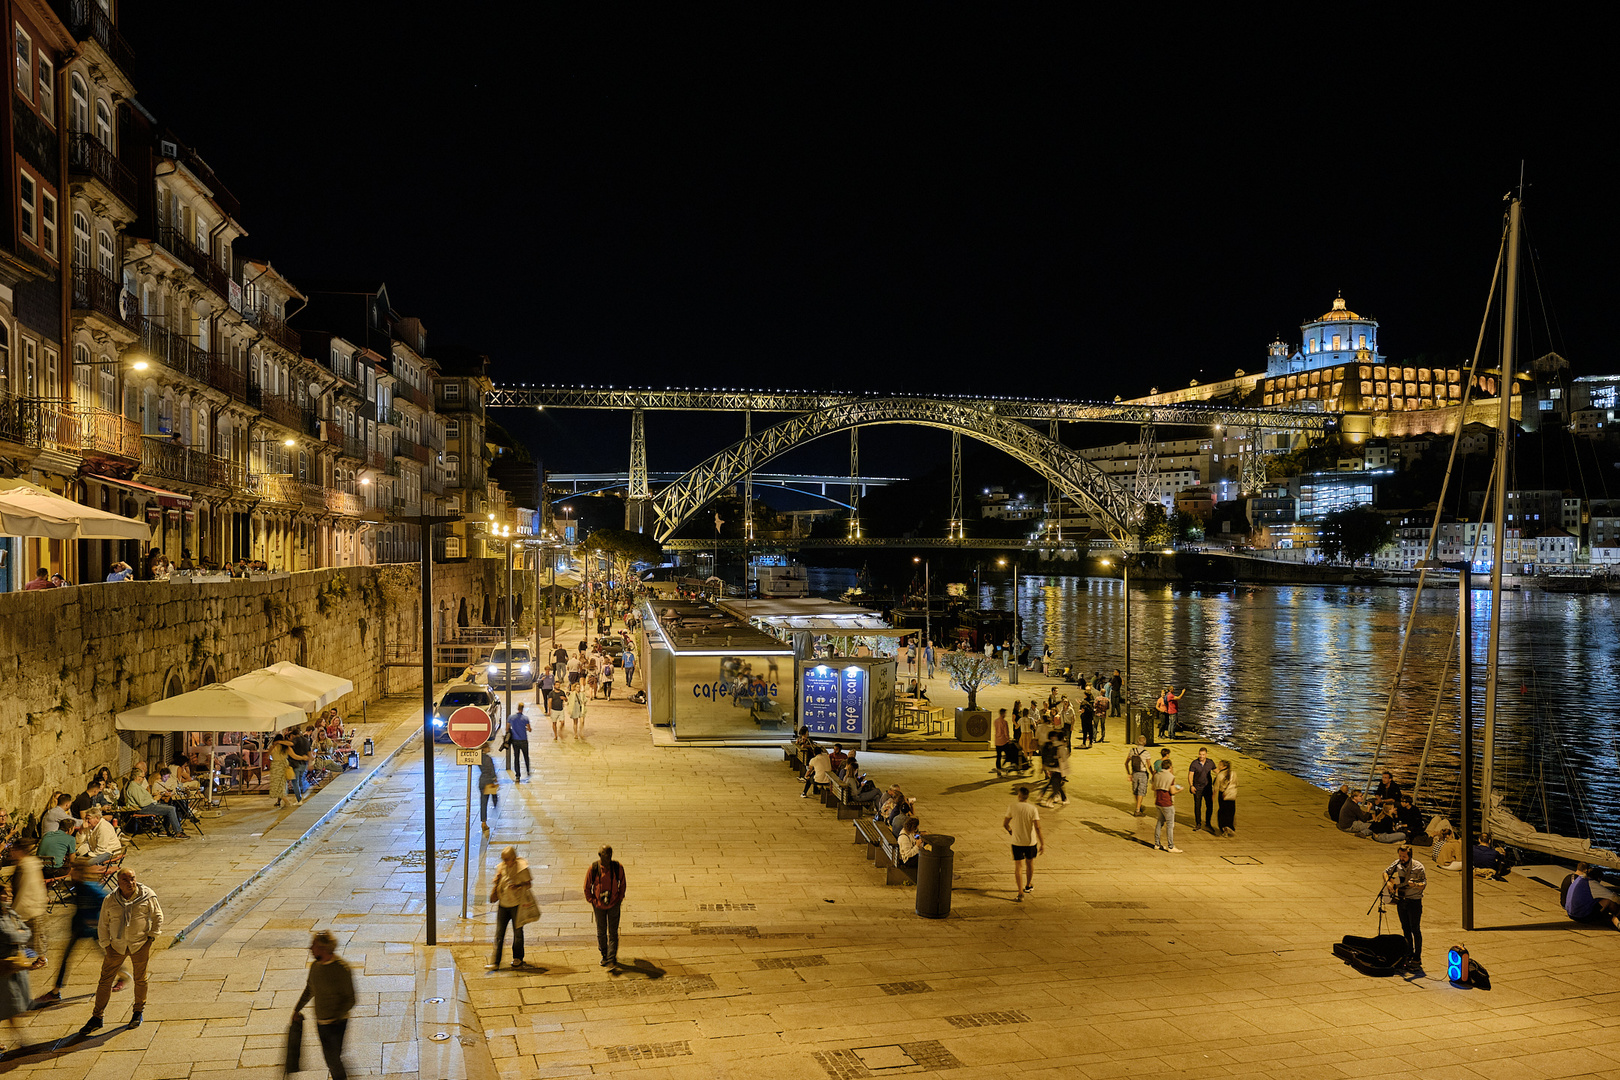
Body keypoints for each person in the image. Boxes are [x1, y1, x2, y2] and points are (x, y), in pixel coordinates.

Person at [77, 868, 162, 1034]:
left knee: (140, 979)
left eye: (132, 878)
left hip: (139, 945)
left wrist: (150, 939)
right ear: (118, 883)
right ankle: (97, 1017)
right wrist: (106, 946)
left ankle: (138, 1012)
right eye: (126, 880)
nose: (130, 883)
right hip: (116, 947)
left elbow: (158, 916)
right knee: (105, 981)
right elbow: (103, 924)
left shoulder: (147, 895)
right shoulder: (110, 900)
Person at [294, 930, 356, 1080]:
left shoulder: (341, 969)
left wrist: (336, 1016)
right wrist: (297, 1009)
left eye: (313, 945)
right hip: (321, 1023)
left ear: (323, 948)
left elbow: (350, 998)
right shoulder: (315, 967)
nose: (310, 948)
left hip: (337, 1024)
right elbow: (309, 989)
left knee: (333, 1060)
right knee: (332, 1060)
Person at [487, 846, 533, 970]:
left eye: (507, 859)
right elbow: (498, 882)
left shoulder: (522, 868)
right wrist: (497, 881)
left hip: (516, 905)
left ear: (513, 858)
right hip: (503, 904)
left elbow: (529, 884)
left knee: (518, 932)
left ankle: (518, 958)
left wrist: (518, 885)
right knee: (499, 933)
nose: (505, 862)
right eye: (503, 859)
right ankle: (496, 962)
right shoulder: (501, 867)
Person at [1383, 843, 1427, 971]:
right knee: (1405, 929)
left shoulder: (1418, 867)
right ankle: (1408, 954)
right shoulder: (1397, 864)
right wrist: (1388, 883)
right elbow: (1386, 872)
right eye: (1400, 856)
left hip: (1414, 901)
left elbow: (1423, 884)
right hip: (1401, 900)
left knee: (1415, 929)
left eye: (1404, 856)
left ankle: (1417, 957)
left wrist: (1415, 885)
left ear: (1410, 856)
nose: (1401, 858)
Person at [5, 841, 48, 971]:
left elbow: (20, 888)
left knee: (36, 936)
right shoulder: (31, 863)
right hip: (32, 906)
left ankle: (41, 959)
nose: (11, 852)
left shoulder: (25, 866)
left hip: (30, 907)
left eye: (13, 850)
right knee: (34, 935)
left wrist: (11, 906)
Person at [584, 845, 627, 969]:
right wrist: (593, 900)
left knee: (613, 932)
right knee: (601, 932)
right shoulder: (594, 868)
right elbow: (587, 887)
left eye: (609, 855)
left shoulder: (617, 867)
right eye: (605, 855)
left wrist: (619, 898)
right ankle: (604, 955)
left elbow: (623, 884)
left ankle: (611, 958)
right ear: (600, 855)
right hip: (599, 906)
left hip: (614, 904)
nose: (608, 858)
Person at [123, 762, 184, 838]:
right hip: (143, 808)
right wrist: (154, 800)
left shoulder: (137, 786)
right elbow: (141, 802)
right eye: (142, 777)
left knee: (168, 807)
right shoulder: (134, 787)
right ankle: (178, 832)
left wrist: (154, 797)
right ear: (137, 777)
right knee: (170, 809)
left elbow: (144, 798)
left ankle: (164, 830)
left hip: (148, 805)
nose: (143, 779)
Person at [1003, 786, 1043, 901]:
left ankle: (1020, 892)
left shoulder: (1012, 806)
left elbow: (1005, 823)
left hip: (1017, 841)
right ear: (1027, 796)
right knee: (1029, 864)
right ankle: (1028, 885)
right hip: (1030, 842)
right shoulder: (1032, 809)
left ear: (1019, 796)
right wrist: (1043, 843)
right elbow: (1038, 827)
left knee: (1018, 867)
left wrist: (1011, 831)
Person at [1561, 863, 1620, 929]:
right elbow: (1613, 897)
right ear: (1598, 878)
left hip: (1570, 913)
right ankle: (1618, 916)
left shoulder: (1580, 878)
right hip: (1581, 916)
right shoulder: (1592, 884)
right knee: (1608, 901)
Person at [1152, 758, 1183, 852]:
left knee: (1159, 822)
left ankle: (1157, 844)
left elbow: (1153, 788)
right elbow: (1172, 791)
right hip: (1167, 803)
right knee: (1170, 825)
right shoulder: (1171, 777)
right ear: (1170, 767)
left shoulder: (1157, 775)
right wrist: (1179, 790)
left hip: (1158, 801)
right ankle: (1171, 846)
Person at [1187, 747, 1216, 833]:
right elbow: (1190, 775)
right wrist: (1191, 785)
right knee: (1197, 806)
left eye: (1203, 754)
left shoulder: (1210, 762)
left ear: (1206, 755)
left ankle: (1208, 823)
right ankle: (1198, 823)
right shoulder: (1194, 763)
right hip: (1197, 788)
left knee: (1209, 806)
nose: (1201, 756)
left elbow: (1216, 771)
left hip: (1207, 788)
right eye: (1200, 754)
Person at [1126, 736, 1152, 817]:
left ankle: (1138, 805)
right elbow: (1149, 765)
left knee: (1135, 790)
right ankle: (1137, 810)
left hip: (1134, 773)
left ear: (1137, 742)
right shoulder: (1146, 753)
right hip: (1143, 773)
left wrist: (1129, 773)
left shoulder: (1132, 751)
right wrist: (1153, 774)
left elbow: (1126, 763)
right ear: (1145, 743)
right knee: (1141, 791)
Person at [507, 704, 532, 781]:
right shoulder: (525, 718)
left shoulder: (511, 717)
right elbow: (529, 729)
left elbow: (507, 728)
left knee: (516, 757)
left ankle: (518, 775)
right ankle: (528, 770)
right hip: (523, 740)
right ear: (523, 709)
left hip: (515, 740)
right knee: (526, 756)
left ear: (517, 708)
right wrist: (524, 729)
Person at [289, 726, 313, 803]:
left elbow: (292, 751)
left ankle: (299, 799)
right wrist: (310, 764)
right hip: (304, 764)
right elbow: (309, 753)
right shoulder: (306, 741)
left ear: (293, 735)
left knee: (295, 782)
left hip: (296, 763)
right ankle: (306, 786)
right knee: (301, 779)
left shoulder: (295, 740)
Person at [479, 743, 499, 832]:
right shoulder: (488, 759)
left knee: (483, 802)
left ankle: (483, 822)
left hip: (482, 781)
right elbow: (492, 770)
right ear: (485, 748)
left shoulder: (479, 758)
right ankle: (495, 804)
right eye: (488, 747)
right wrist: (495, 778)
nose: (489, 749)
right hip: (488, 781)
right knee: (494, 794)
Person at [1215, 759, 1237, 837]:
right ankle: (1230, 826)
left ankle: (1224, 828)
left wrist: (1213, 796)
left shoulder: (1220, 775)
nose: (1218, 766)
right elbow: (1236, 783)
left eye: (1220, 765)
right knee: (1230, 812)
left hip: (1223, 795)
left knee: (1222, 812)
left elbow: (1216, 787)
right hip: (1232, 795)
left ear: (1224, 766)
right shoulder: (1233, 773)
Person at [991, 709, 1017, 774]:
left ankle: (998, 768)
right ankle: (1010, 765)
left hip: (997, 741)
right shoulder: (1004, 722)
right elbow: (1006, 732)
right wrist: (1009, 739)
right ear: (1003, 714)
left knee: (998, 756)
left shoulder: (995, 721)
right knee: (1009, 754)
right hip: (1003, 741)